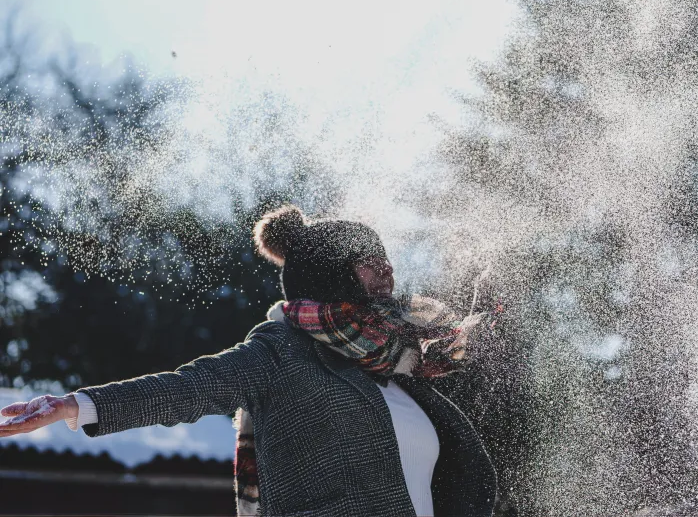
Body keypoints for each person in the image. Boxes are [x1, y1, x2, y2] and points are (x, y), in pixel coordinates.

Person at [0, 205, 498, 516]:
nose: (385, 268)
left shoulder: (402, 362)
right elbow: (191, 388)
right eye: (366, 261)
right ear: (331, 274)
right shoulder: (283, 352)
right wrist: (76, 405)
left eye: (384, 257)